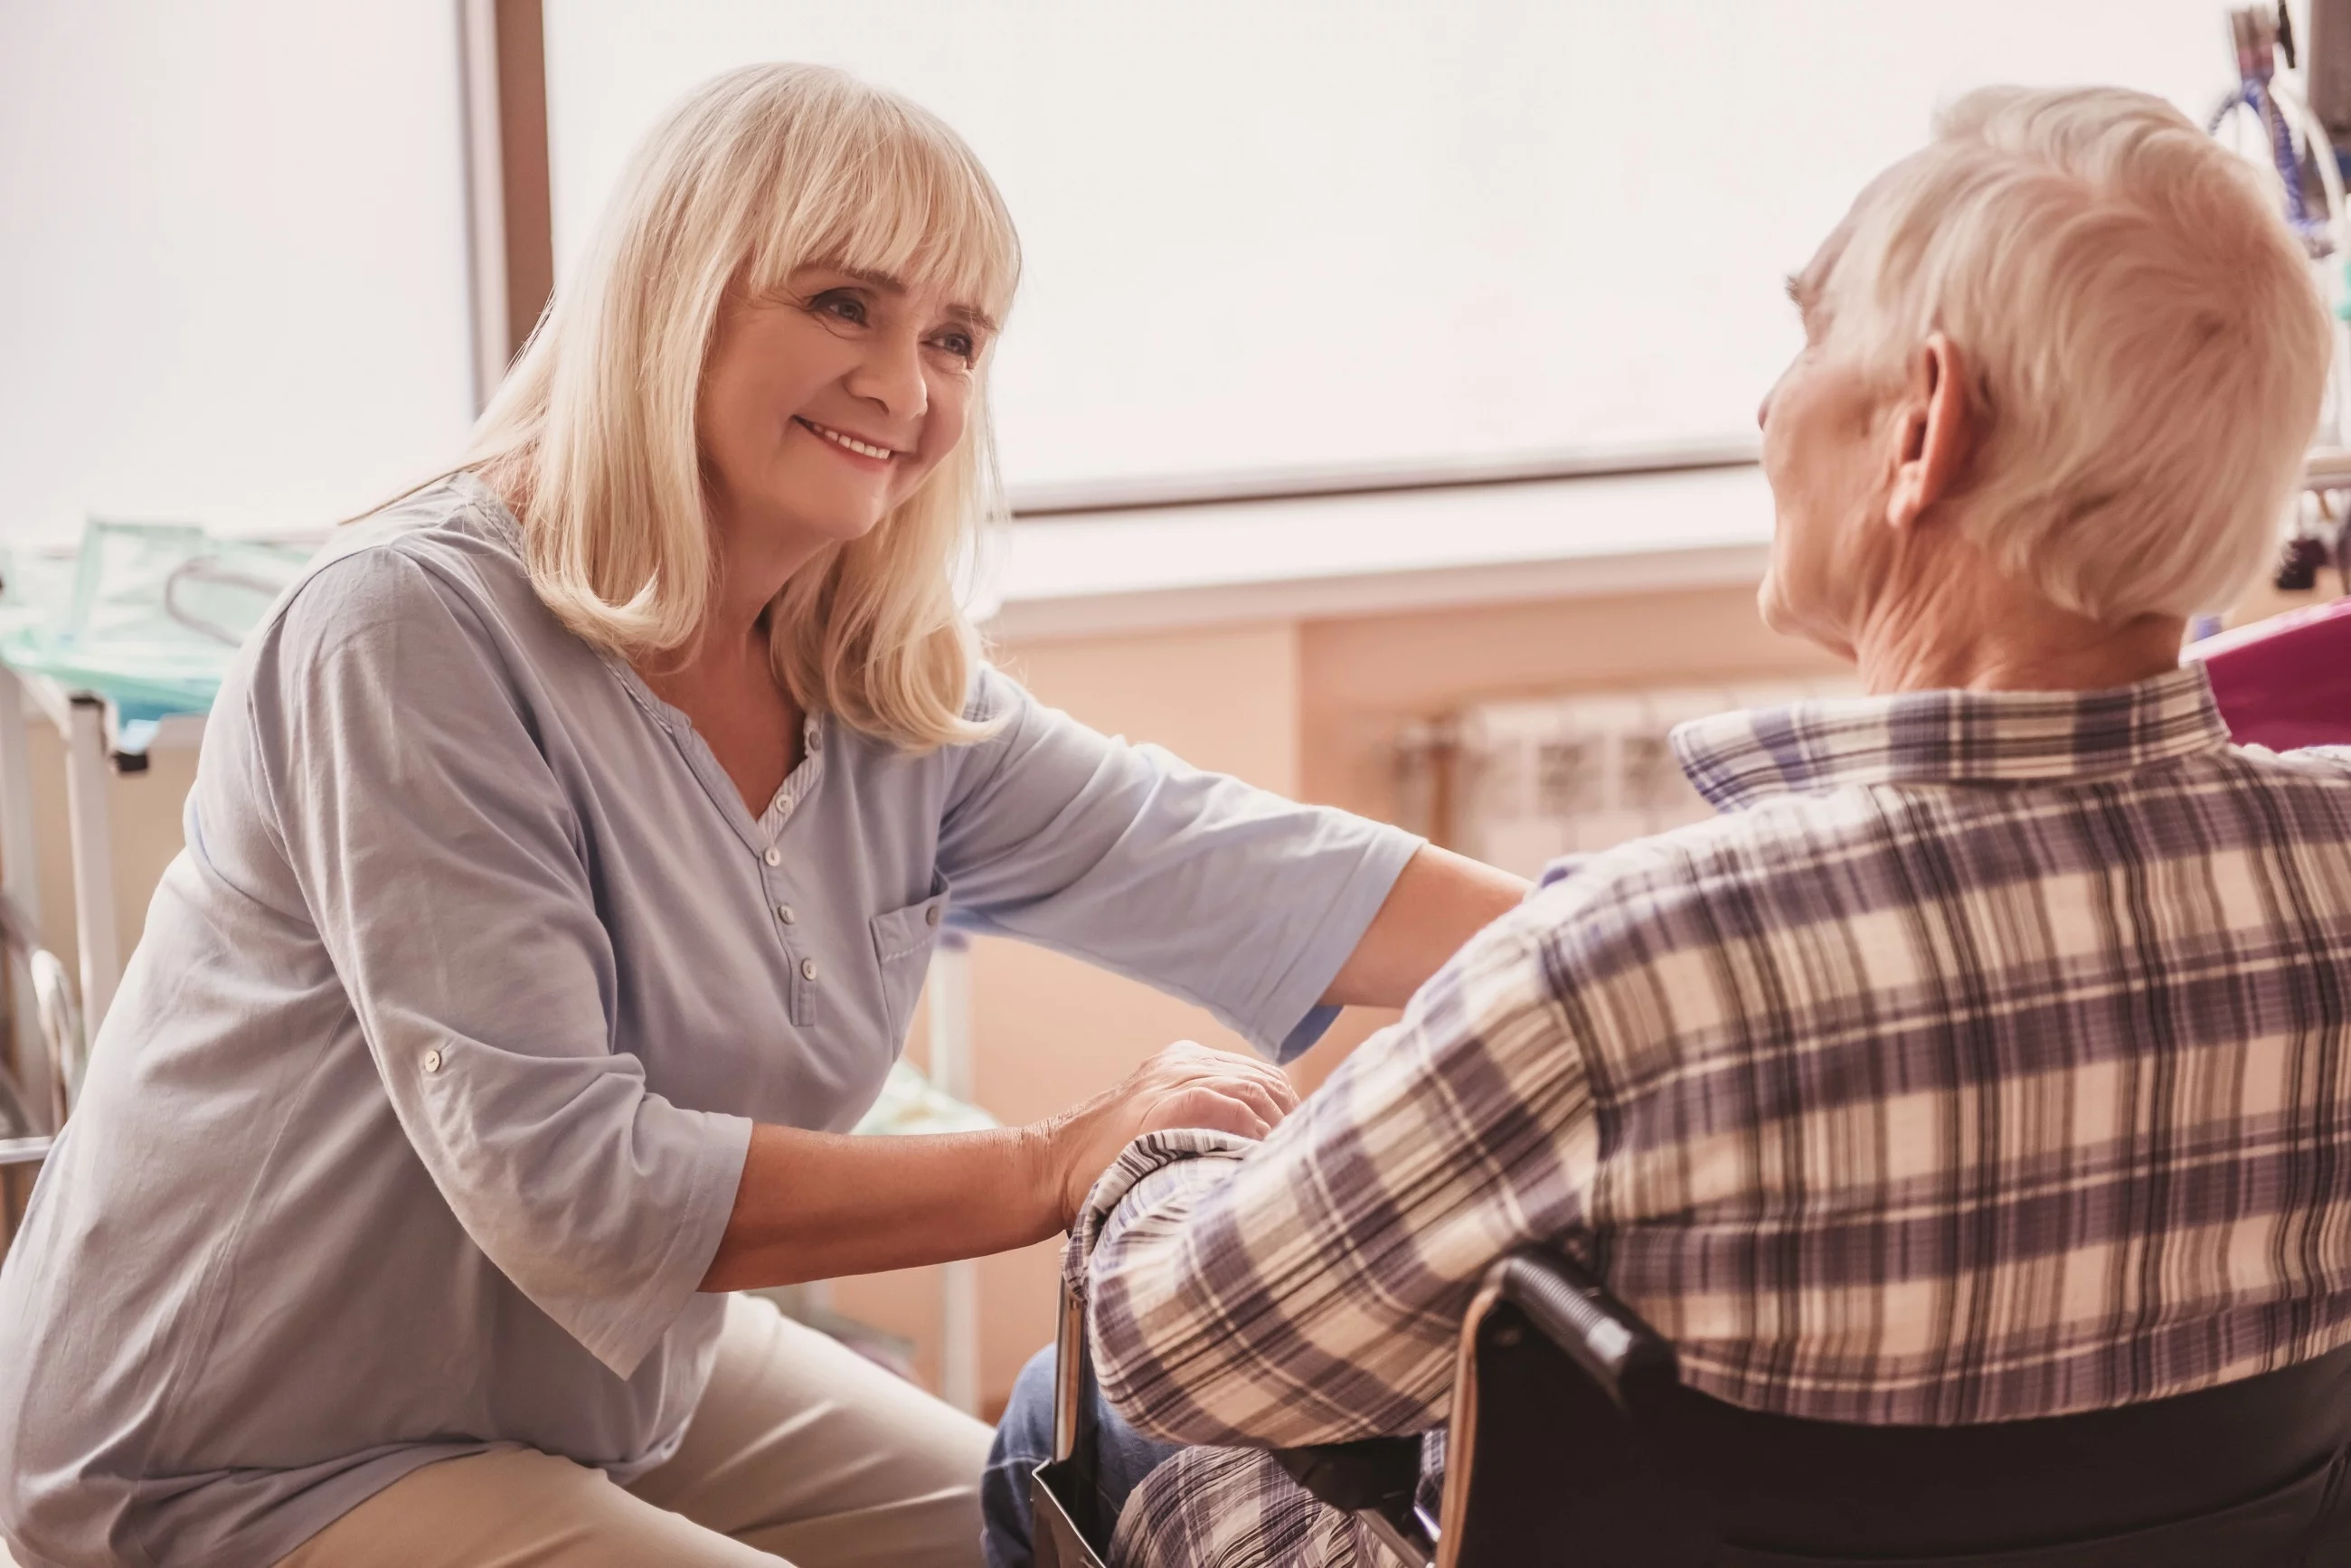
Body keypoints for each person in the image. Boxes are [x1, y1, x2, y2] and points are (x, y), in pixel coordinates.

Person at [0, 65, 1525, 1568]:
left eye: (955, 338)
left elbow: (1232, 861)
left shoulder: (877, 689)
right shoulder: (405, 633)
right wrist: (1059, 1159)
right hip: (240, 1446)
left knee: (1085, 1533)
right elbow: (574, 1184)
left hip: (590, 1374)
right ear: (674, 297)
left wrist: (1629, 951)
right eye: (842, 303)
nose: (905, 387)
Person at [987, 84, 2350, 1568]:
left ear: (1925, 428)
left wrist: (1156, 1162)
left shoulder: (1637, 959)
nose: (1771, 406)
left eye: (1812, 335)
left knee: (1074, 1408)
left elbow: (1189, 1349)